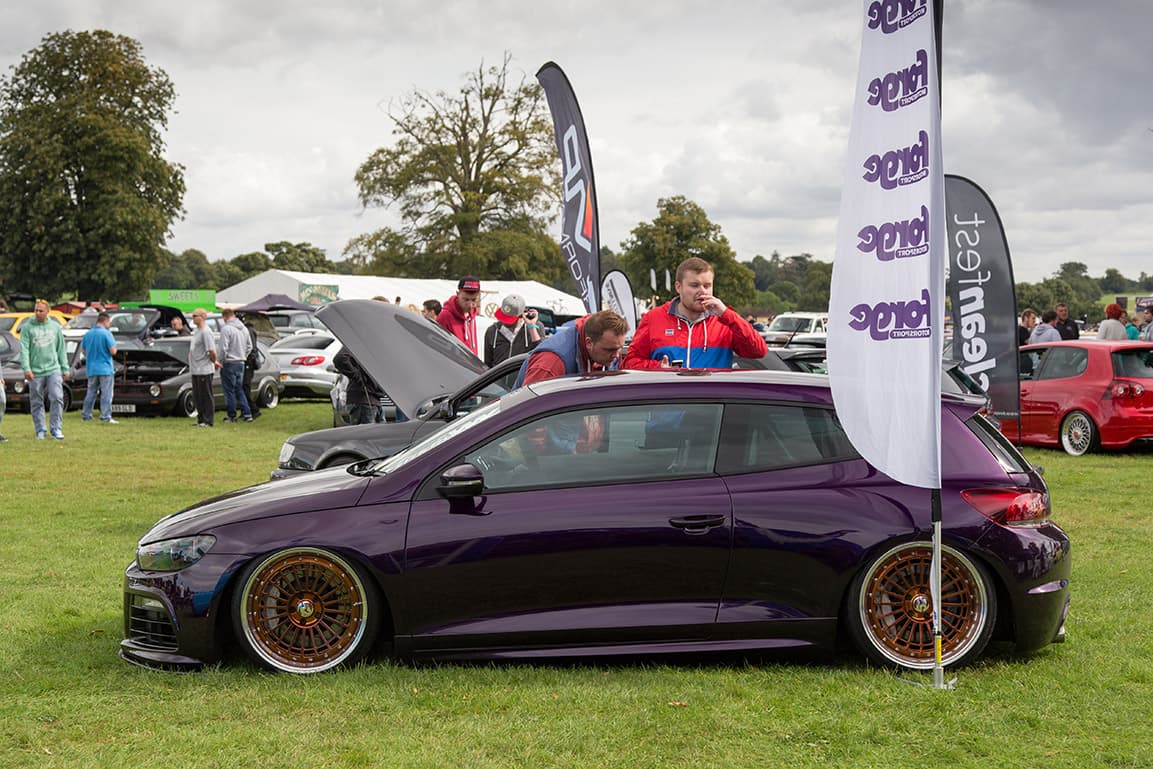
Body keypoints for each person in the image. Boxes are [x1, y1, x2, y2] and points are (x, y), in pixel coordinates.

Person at [623, 257, 767, 370]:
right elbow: (629, 363)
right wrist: (657, 367)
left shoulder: (725, 320)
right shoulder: (654, 318)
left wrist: (727, 314)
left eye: (707, 286)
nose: (702, 291)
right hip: (668, 398)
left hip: (712, 398)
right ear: (678, 287)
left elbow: (759, 351)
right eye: (695, 285)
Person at [514, 310, 628, 387]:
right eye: (609, 350)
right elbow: (529, 409)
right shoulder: (551, 362)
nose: (616, 355)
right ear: (589, 343)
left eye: (620, 348)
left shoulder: (607, 352)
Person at [20, 300, 69, 440]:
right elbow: (24, 349)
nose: (38, 313)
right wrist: (26, 368)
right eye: (36, 310)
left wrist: (65, 368)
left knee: (57, 397)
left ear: (48, 311)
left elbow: (61, 349)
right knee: (36, 401)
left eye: (41, 311)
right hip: (35, 371)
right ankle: (40, 429)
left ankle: (56, 428)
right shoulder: (27, 328)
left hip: (53, 369)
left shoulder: (55, 327)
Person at [80, 311, 119, 424]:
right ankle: (105, 416)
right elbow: (113, 351)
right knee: (106, 393)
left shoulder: (88, 334)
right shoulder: (107, 334)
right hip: (105, 368)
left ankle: (86, 414)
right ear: (105, 321)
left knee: (91, 392)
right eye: (109, 322)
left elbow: (83, 351)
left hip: (91, 368)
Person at [483, 294, 541, 367]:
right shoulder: (492, 331)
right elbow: (487, 364)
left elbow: (541, 356)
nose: (504, 322)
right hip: (499, 374)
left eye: (509, 319)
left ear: (521, 315)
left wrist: (532, 327)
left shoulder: (535, 327)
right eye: (503, 316)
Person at [217, 308, 253, 423]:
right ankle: (247, 413)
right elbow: (250, 346)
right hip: (240, 362)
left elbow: (223, 348)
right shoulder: (244, 329)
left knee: (229, 390)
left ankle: (231, 415)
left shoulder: (226, 329)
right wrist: (243, 356)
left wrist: (220, 361)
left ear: (224, 317)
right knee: (239, 389)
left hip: (229, 362)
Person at [334, 347, 388, 424]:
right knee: (367, 431)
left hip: (374, 399)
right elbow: (339, 358)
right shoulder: (358, 343)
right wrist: (358, 376)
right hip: (364, 399)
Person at [437, 276, 482, 355]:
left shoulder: (471, 316)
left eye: (474, 300)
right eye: (466, 299)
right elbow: (437, 346)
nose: (470, 305)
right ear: (458, 294)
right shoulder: (445, 316)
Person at [189, 308, 217, 427]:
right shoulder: (197, 331)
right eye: (193, 316)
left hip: (204, 369)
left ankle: (208, 420)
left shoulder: (206, 332)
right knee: (198, 396)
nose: (193, 318)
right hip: (195, 369)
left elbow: (211, 351)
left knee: (206, 395)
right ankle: (200, 419)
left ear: (203, 317)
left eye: (195, 316)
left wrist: (213, 361)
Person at [242, 321, 263, 418]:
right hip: (249, 361)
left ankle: (253, 409)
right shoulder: (249, 330)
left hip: (248, 361)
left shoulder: (248, 331)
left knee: (245, 386)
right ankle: (247, 409)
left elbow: (250, 347)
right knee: (245, 387)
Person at [1017, 308, 1038, 375]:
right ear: (1026, 318)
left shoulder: (1024, 330)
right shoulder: (1021, 330)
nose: (1034, 321)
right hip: (1023, 362)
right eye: (1033, 318)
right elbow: (1031, 344)